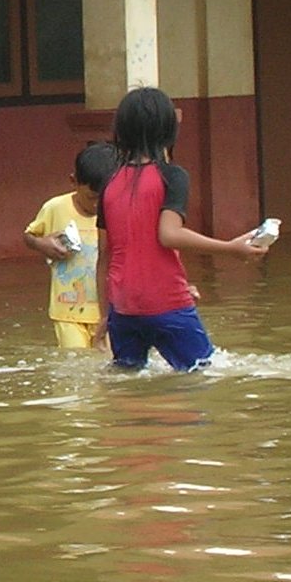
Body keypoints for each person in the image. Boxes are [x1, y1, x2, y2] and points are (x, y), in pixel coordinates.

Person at [97, 87, 266, 371]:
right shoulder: (173, 175)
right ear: (168, 130)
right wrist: (231, 248)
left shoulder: (109, 183)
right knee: (203, 375)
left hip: (123, 310)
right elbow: (169, 234)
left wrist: (106, 314)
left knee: (127, 384)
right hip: (167, 303)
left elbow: (104, 256)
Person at [23, 142, 118, 350]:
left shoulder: (118, 212)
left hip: (109, 312)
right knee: (76, 368)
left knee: (108, 369)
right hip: (67, 313)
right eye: (91, 198)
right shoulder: (55, 208)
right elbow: (29, 236)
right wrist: (41, 244)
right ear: (73, 181)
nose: (97, 206)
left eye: (103, 200)